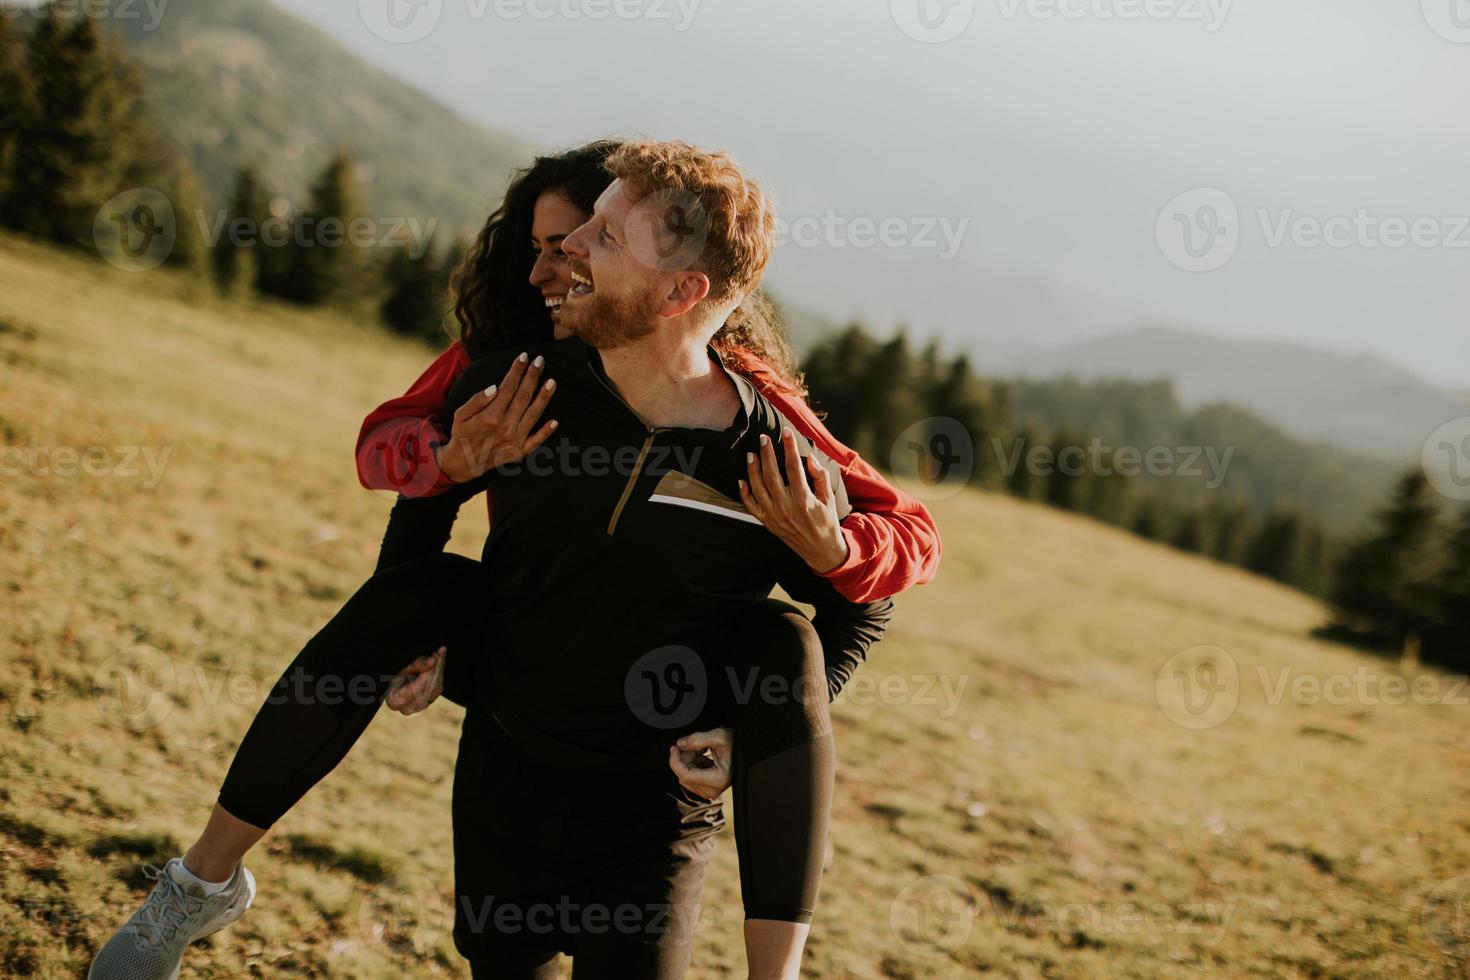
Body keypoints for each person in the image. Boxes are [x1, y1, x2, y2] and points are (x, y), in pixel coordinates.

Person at [87, 140, 938, 980]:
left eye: (601, 237)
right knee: (429, 592)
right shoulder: (520, 383)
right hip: (509, 748)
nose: (568, 251)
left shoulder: (764, 447)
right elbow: (411, 485)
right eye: (579, 229)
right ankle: (197, 886)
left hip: (652, 804)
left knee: (782, 637)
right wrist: (420, 594)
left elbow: (872, 589)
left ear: (682, 292)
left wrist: (761, 691)